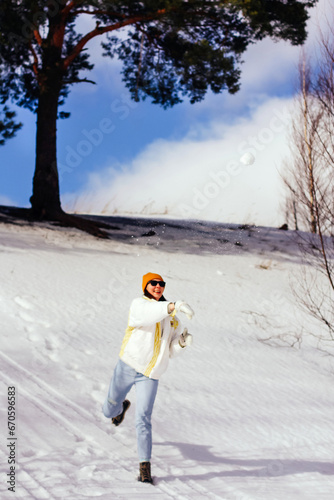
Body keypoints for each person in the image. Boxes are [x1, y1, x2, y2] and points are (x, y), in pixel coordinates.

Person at [102, 272, 194, 484]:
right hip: (128, 366)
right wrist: (173, 306)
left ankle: (145, 466)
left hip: (150, 375)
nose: (157, 286)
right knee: (108, 409)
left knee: (143, 418)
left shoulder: (172, 320)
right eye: (153, 283)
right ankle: (119, 409)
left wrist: (181, 344)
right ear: (145, 286)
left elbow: (168, 351)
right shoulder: (139, 305)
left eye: (161, 284)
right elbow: (150, 314)